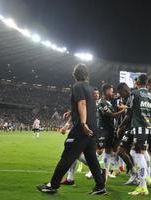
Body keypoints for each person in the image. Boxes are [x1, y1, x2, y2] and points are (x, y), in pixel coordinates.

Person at [37, 64, 107, 195]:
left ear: (75, 75)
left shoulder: (77, 86)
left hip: (82, 128)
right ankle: (100, 186)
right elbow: (86, 105)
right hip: (93, 128)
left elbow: (82, 104)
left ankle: (52, 186)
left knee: (67, 156)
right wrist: (71, 112)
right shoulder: (91, 89)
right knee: (91, 158)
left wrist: (83, 123)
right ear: (86, 75)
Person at [128, 74, 151, 196]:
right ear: (146, 83)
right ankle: (146, 180)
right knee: (139, 152)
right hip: (148, 126)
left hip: (139, 126)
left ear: (138, 82)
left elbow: (129, 109)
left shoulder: (135, 93)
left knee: (136, 153)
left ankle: (143, 185)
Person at [97, 83, 127, 178]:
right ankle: (93, 169)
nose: (112, 92)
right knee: (99, 150)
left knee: (108, 151)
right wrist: (125, 109)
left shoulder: (109, 102)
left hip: (110, 130)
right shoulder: (102, 102)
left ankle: (105, 172)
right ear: (106, 91)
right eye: (111, 90)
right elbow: (112, 115)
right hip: (103, 129)